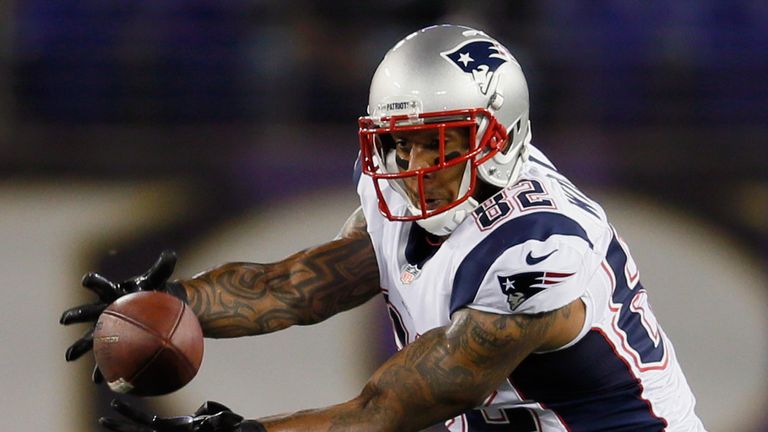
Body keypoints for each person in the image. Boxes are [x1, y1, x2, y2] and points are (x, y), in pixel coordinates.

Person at [60, 24, 706, 431]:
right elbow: (302, 286)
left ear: (499, 137)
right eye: (402, 143)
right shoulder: (408, 195)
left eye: (441, 143)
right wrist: (175, 305)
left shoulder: (538, 248)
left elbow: (388, 411)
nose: (416, 165)